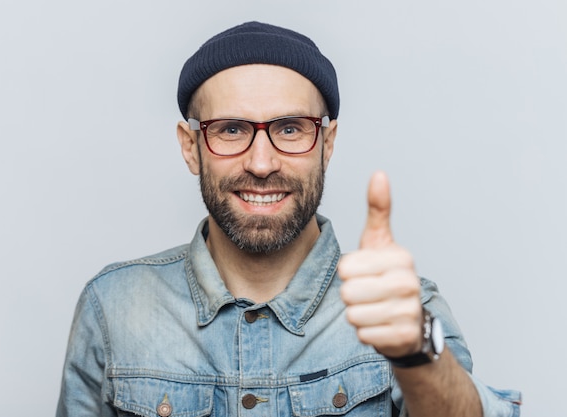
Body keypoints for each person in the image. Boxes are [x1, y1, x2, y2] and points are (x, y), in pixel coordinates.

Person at [57, 21, 521, 417]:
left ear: (328, 143)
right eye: (232, 130)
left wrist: (416, 348)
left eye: (290, 129)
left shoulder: (401, 308)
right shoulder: (112, 307)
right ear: (189, 146)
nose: (261, 163)